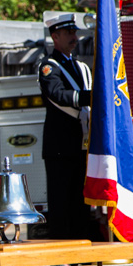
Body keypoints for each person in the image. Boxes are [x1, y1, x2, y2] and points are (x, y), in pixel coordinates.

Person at [37, 13, 98, 240]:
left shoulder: (81, 67)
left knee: (81, 199)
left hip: (82, 143)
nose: (74, 37)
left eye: (75, 32)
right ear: (55, 36)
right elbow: (57, 94)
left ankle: (81, 243)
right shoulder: (48, 66)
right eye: (69, 33)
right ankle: (64, 248)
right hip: (60, 145)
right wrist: (91, 97)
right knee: (61, 200)